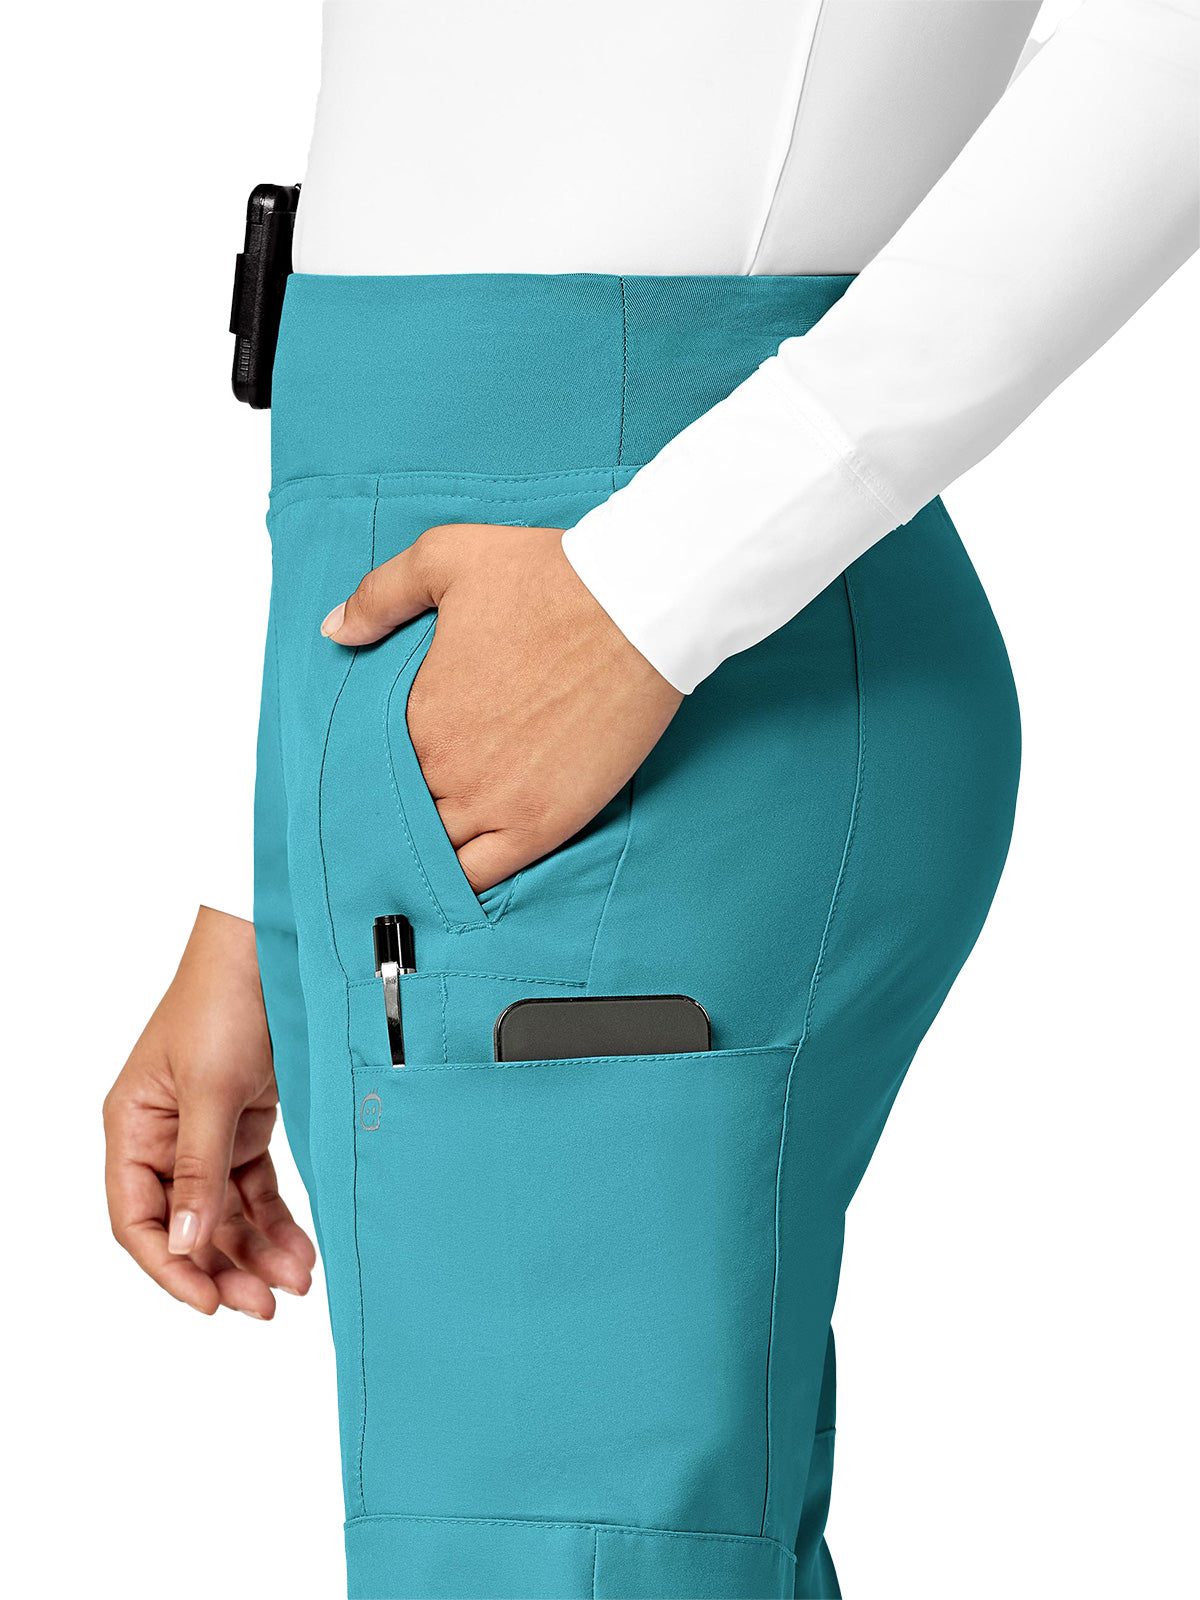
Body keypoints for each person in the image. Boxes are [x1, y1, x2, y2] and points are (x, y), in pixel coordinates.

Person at [103, 4, 1198, 1597]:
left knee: (557, 1562)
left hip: (636, 649)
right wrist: (265, 874)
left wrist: (647, 592)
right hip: (438, 646)